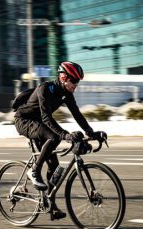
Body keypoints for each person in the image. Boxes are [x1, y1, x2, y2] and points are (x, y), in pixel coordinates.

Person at [14, 61, 103, 220]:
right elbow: (46, 118)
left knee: (55, 169)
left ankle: (51, 206)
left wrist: (91, 132)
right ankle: (34, 170)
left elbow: (77, 114)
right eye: (74, 81)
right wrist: (66, 135)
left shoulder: (67, 94)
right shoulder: (45, 89)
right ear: (63, 77)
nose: (76, 85)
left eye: (78, 82)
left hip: (40, 125)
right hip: (24, 121)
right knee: (54, 137)